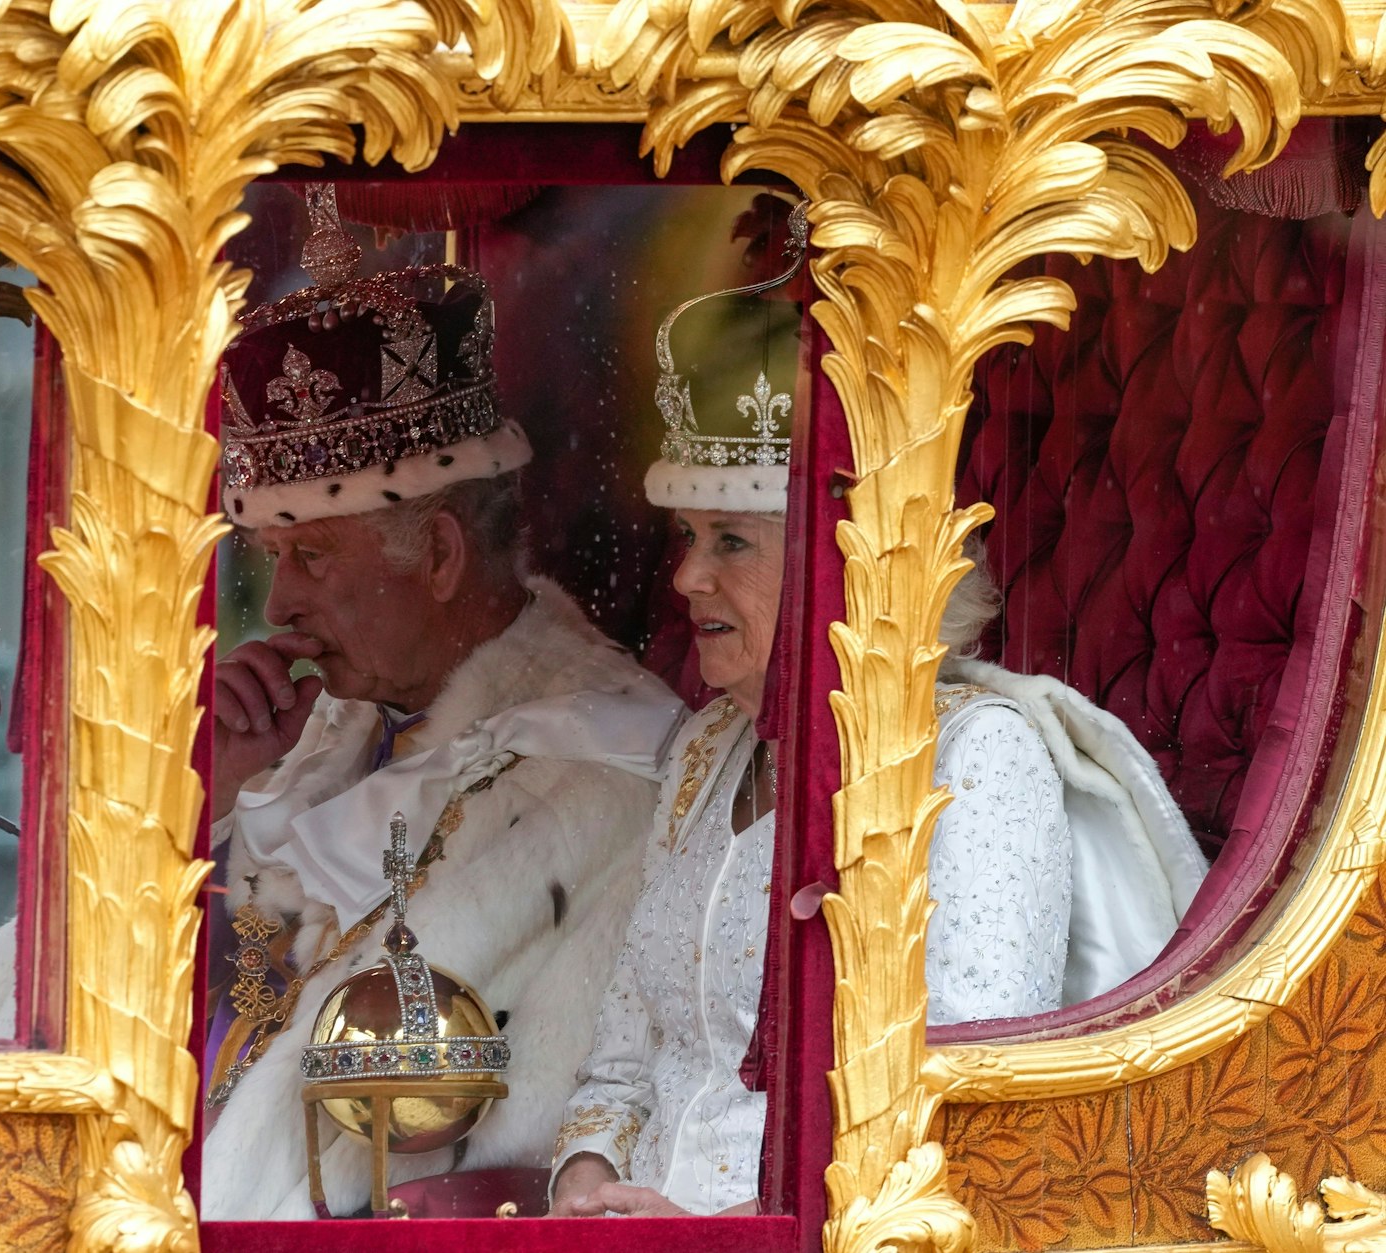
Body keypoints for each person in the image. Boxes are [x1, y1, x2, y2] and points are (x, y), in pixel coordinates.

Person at [548, 222, 1209, 1218]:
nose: (686, 576)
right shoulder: (700, 752)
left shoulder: (975, 756)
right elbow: (615, 1072)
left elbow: (962, 1125)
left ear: (839, 558)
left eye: (729, 539)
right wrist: (584, 1185)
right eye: (685, 536)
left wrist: (709, 1236)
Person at [198, 188, 687, 1220]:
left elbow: (495, 1138)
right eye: (273, 559)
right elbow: (236, 1002)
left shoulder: (605, 768)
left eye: (312, 558)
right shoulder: (339, 724)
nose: (279, 604)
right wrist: (220, 809)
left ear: (437, 554)